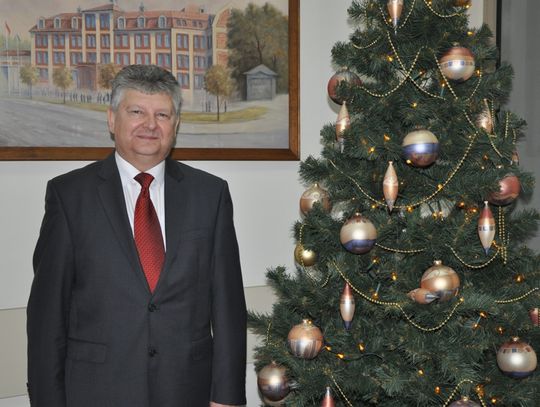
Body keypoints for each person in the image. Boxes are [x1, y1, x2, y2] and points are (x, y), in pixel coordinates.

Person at [27, 65, 247, 407]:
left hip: (187, 390)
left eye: (162, 114)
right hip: (96, 393)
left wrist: (228, 397)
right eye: (136, 112)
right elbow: (47, 317)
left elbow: (228, 305)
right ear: (112, 119)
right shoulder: (69, 196)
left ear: (175, 125)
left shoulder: (210, 195)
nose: (150, 124)